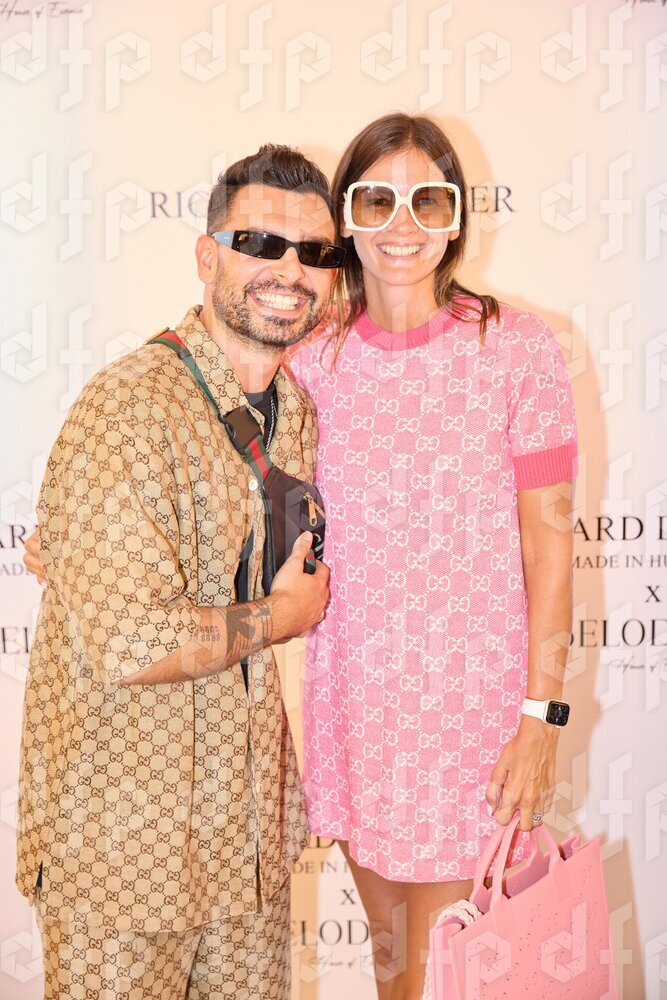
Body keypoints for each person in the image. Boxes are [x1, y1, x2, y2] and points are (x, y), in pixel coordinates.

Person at [16, 144, 338, 1000]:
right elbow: (132, 642)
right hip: (123, 854)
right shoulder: (129, 409)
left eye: (313, 252)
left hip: (247, 841)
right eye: (259, 243)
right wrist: (281, 617)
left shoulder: (296, 410)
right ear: (206, 256)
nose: (289, 271)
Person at [286, 112, 579, 1000]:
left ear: (455, 217)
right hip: (357, 709)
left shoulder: (514, 348)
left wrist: (541, 718)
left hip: (475, 720)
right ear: (346, 218)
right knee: (394, 975)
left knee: (449, 977)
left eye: (427, 199)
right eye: (376, 200)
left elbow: (549, 550)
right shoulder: (312, 360)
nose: (402, 224)